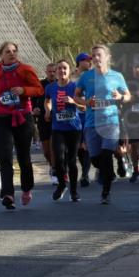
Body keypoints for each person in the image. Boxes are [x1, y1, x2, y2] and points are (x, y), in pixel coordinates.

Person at [0, 42, 43, 210]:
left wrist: (24, 90)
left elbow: (38, 89)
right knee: (4, 155)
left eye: (14, 51)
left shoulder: (25, 69)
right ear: (1, 55)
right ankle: (8, 194)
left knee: (24, 156)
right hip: (3, 117)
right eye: (7, 51)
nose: (12, 54)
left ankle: (26, 188)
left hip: (23, 117)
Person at [75, 44, 131, 205]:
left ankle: (106, 192)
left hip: (110, 121)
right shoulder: (86, 77)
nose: (95, 58)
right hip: (92, 122)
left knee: (106, 155)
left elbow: (128, 96)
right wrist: (86, 102)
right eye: (93, 56)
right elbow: (76, 96)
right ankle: (110, 169)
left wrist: (120, 96)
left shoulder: (117, 76)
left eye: (99, 55)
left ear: (107, 57)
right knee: (96, 160)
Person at [44, 59, 85, 202]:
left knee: (72, 160)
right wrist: (47, 111)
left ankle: (74, 191)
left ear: (69, 71)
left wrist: (74, 102)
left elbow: (84, 107)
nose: (62, 71)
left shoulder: (75, 87)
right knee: (59, 160)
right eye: (59, 69)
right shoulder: (50, 88)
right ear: (55, 72)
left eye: (65, 68)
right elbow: (47, 100)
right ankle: (62, 185)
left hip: (74, 128)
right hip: (58, 128)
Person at [75, 52, 94, 185]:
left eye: (90, 60)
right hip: (75, 116)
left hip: (89, 115)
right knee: (78, 147)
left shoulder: (94, 76)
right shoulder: (72, 77)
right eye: (86, 60)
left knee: (86, 146)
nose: (89, 62)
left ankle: (85, 174)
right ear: (79, 62)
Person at [36, 63, 56, 183]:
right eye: (50, 71)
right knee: (47, 151)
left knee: (54, 148)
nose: (52, 73)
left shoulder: (60, 84)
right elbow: (33, 100)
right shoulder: (40, 85)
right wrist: (35, 108)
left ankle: (55, 170)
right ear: (46, 72)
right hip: (43, 119)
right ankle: (51, 165)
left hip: (57, 119)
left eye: (54, 71)